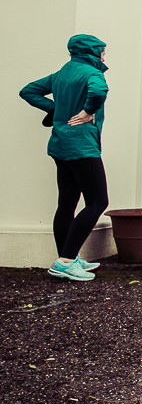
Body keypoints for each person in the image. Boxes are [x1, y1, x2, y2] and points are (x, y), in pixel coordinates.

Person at [20, 34, 110, 282]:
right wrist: (87, 111)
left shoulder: (63, 73)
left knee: (67, 203)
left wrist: (55, 110)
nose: (104, 56)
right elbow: (99, 91)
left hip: (60, 145)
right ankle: (67, 261)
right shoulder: (92, 73)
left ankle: (67, 257)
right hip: (82, 147)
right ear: (92, 52)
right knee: (97, 202)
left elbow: (28, 91)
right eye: (102, 51)